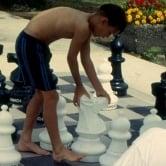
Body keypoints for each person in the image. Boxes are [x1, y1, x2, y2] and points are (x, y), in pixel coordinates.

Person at [15, 3, 127, 162]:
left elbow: (86, 60)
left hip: (33, 43)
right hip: (31, 44)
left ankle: (25, 140)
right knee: (51, 97)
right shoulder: (83, 26)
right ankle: (59, 150)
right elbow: (71, 57)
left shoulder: (87, 24)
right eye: (109, 32)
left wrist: (99, 88)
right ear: (104, 21)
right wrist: (79, 86)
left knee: (41, 95)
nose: (106, 36)